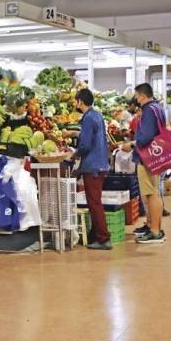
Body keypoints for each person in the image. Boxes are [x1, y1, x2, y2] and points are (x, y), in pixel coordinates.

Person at [122, 83, 166, 244]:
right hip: (156, 155)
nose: (136, 99)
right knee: (153, 192)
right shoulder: (157, 108)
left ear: (141, 95)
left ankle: (155, 231)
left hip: (147, 156)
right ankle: (153, 226)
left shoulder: (148, 110)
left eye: (136, 95)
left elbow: (146, 136)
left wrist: (131, 144)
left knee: (151, 193)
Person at [74, 88, 112, 250]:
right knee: (96, 201)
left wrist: (75, 154)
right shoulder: (97, 115)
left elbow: (86, 144)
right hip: (101, 163)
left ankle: (103, 239)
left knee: (94, 203)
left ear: (80, 101)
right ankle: (95, 234)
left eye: (76, 101)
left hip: (93, 166)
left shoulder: (88, 118)